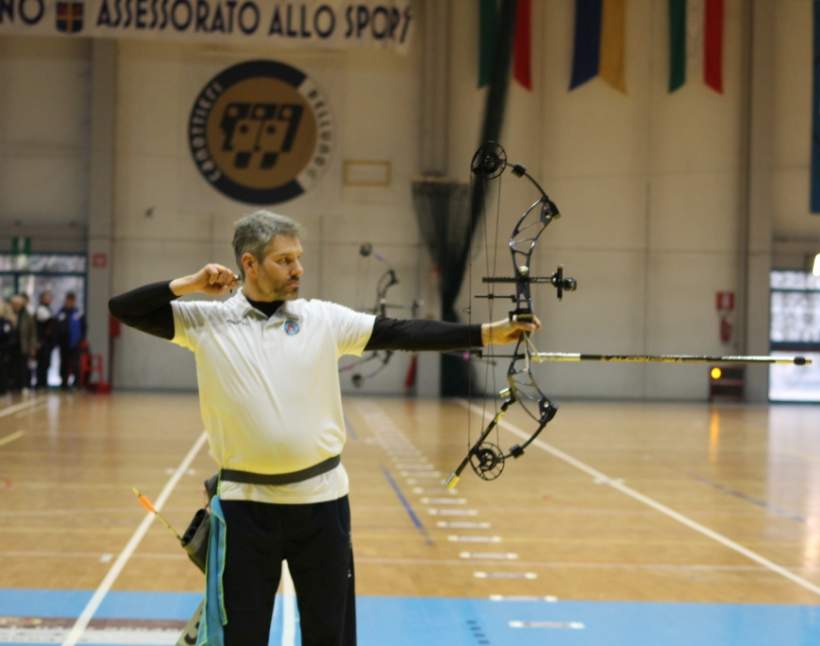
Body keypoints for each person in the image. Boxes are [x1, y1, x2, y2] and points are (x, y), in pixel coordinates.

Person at [108, 210, 537, 646]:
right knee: (241, 635)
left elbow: (403, 331)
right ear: (249, 264)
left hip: (322, 503)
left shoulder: (322, 320)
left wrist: (486, 332)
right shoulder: (205, 322)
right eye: (284, 260)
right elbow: (122, 308)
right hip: (244, 508)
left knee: (329, 634)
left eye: (298, 257)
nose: (298, 269)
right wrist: (188, 285)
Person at [57, 291, 86, 389]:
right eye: (68, 300)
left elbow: (84, 328)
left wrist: (81, 339)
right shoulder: (61, 313)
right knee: (64, 364)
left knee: (75, 364)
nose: (69, 302)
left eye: (71, 301)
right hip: (63, 343)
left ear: (74, 301)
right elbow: (56, 327)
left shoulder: (78, 313)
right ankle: (64, 384)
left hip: (75, 343)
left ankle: (76, 384)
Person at [9, 294, 36, 391]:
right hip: (11, 346)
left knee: (23, 367)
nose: (14, 306)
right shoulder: (9, 314)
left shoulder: (27, 315)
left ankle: (24, 385)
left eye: (16, 304)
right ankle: (13, 385)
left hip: (23, 345)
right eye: (13, 304)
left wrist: (32, 347)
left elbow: (32, 333)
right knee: (12, 367)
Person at [34, 290, 57, 389]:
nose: (49, 299)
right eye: (46, 297)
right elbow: (48, 323)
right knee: (42, 364)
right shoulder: (41, 309)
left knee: (46, 364)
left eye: (49, 297)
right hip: (42, 342)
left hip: (48, 343)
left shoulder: (48, 309)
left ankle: (44, 383)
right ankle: (40, 383)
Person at [0, 298, 15, 395]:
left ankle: (3, 389)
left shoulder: (6, 322)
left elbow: (7, 335)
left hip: (4, 350)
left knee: (3, 369)